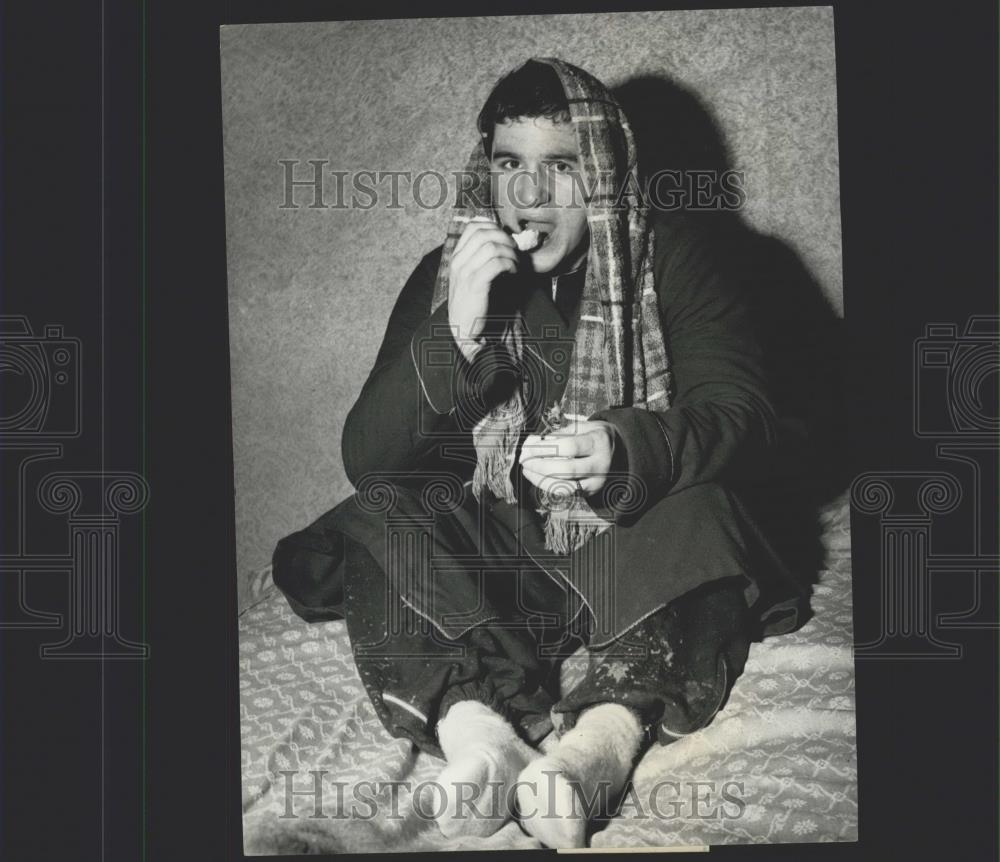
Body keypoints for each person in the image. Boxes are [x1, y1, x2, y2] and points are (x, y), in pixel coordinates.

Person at [272, 57, 807, 848]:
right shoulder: (446, 275)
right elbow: (369, 458)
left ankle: (602, 741)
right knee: (380, 511)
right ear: (484, 171)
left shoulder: (679, 254)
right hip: (502, 571)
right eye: (509, 164)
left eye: (562, 166)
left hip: (632, 550)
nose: (529, 194)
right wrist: (452, 330)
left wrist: (628, 449)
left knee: (708, 505)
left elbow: (744, 417)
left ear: (604, 173)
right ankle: (480, 733)